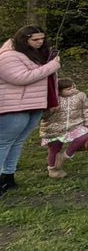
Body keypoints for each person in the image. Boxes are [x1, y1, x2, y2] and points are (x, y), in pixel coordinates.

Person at [0, 26, 61, 193]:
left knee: (18, 142)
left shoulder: (36, 54)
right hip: (14, 106)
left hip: (34, 104)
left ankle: (8, 176)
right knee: (4, 143)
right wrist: (52, 66)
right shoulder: (8, 56)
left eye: (42, 38)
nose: (39, 42)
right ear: (23, 39)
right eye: (35, 39)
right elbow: (20, 78)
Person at [39, 78, 88, 179]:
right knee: (54, 149)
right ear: (59, 91)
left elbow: (86, 109)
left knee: (83, 137)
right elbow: (42, 115)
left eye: (74, 87)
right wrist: (51, 110)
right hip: (54, 128)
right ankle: (53, 170)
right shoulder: (52, 99)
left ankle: (64, 156)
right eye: (68, 89)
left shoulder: (80, 96)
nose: (73, 90)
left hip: (75, 125)